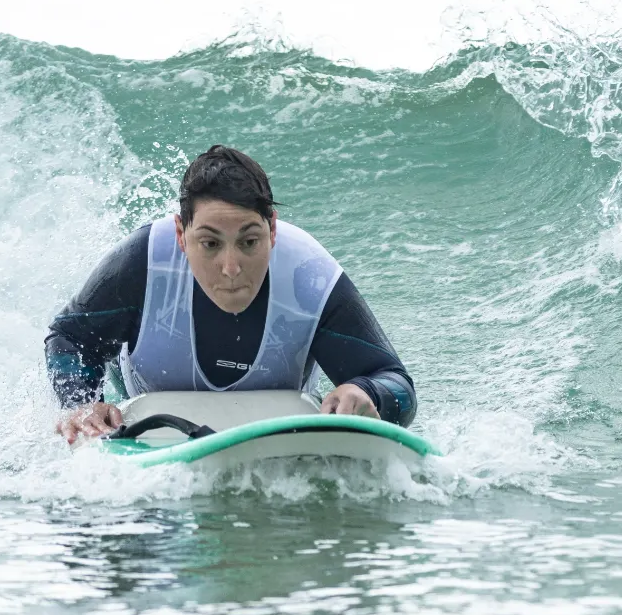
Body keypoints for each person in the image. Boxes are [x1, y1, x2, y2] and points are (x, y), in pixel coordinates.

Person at [46, 145, 417, 444]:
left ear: (272, 229)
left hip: (274, 431)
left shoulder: (309, 275)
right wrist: (82, 406)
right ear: (180, 234)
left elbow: (393, 381)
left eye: (249, 241)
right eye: (209, 243)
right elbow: (70, 338)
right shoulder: (143, 262)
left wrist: (365, 391)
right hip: (152, 423)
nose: (231, 266)